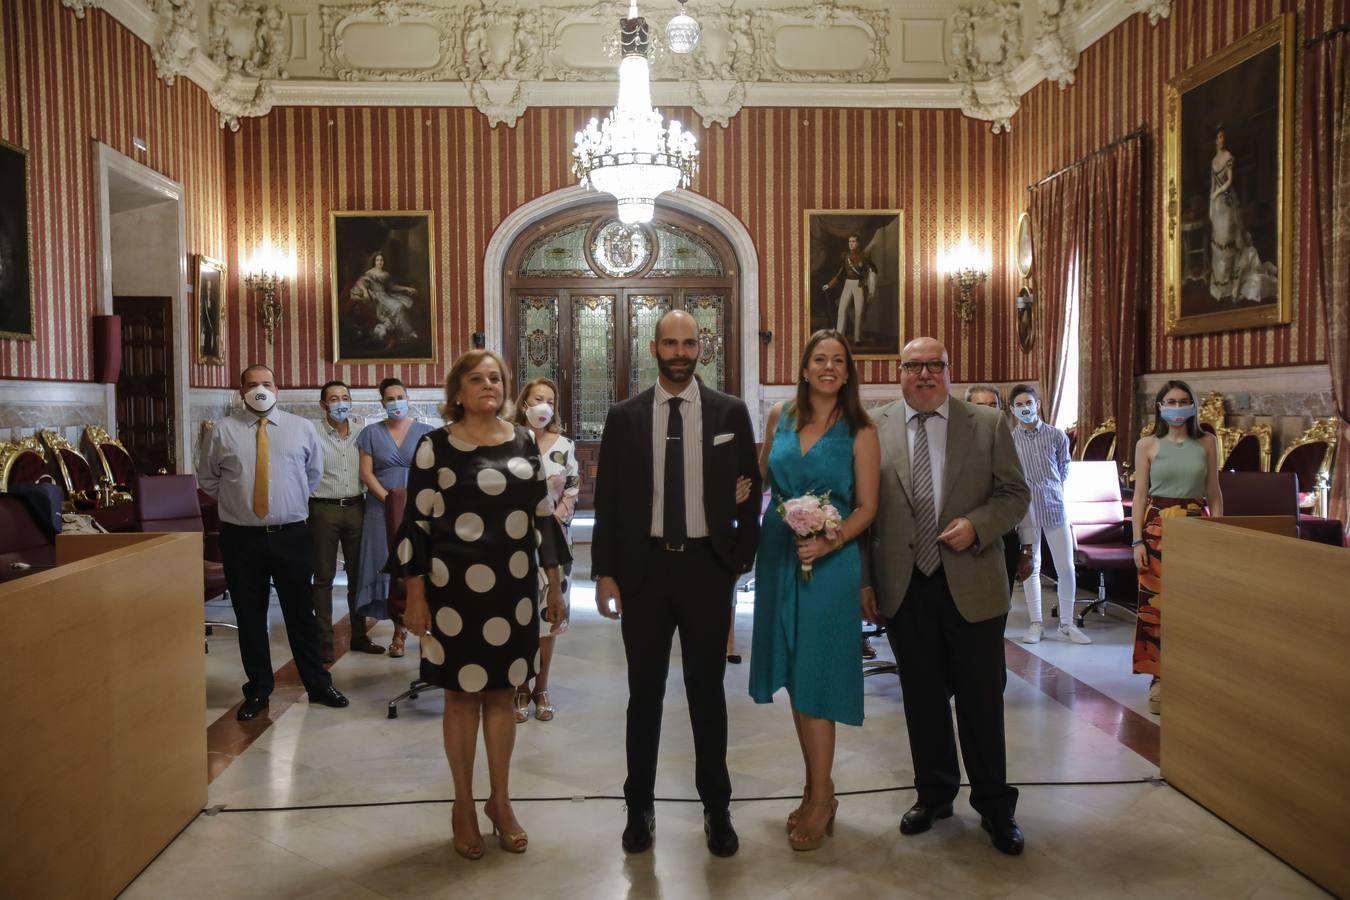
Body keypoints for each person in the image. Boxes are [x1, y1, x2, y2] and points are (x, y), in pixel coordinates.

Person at [592, 309, 762, 858]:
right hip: (643, 571)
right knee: (644, 695)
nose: (680, 352)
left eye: (689, 342)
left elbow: (751, 492)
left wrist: (738, 558)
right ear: (654, 348)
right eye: (670, 342)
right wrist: (605, 572)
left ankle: (717, 807)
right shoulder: (625, 416)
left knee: (707, 694)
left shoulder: (730, 413)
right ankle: (638, 806)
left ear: (701, 348)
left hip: (705, 570)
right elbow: (610, 500)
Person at [392, 350, 567, 860]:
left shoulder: (522, 442)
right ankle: (463, 805)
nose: (487, 385)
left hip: (512, 593)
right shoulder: (434, 447)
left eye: (495, 377)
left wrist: (553, 587)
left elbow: (541, 520)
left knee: (502, 696)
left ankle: (501, 802)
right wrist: (417, 598)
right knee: (461, 698)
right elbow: (417, 528)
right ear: (458, 391)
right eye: (476, 378)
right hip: (452, 593)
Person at [861, 337, 1030, 855]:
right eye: (914, 366)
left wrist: (978, 526)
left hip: (972, 582)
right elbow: (862, 511)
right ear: (899, 372)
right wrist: (866, 582)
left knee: (981, 699)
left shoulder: (986, 424)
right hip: (905, 586)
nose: (925, 374)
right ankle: (934, 793)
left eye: (935, 365)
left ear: (949, 371)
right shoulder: (874, 425)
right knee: (922, 699)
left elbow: (1015, 495)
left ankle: (995, 807)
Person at [749, 329, 880, 851]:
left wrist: (829, 543)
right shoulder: (780, 415)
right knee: (796, 673)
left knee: (817, 675)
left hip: (830, 561)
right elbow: (762, 476)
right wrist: (737, 485)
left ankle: (822, 798)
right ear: (804, 368)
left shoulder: (860, 429)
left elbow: (868, 507)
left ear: (848, 372)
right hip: (781, 553)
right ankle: (813, 787)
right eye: (818, 359)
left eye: (838, 361)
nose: (828, 367)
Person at [199, 365, 349, 722]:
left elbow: (312, 475)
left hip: (292, 535)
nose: (259, 390)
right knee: (250, 617)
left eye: (266, 383)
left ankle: (318, 684)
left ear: (277, 389)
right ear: (241, 391)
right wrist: (241, 504)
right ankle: (258, 690)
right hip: (241, 538)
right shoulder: (223, 431)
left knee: (301, 614)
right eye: (252, 385)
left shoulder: (301, 428)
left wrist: (285, 502)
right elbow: (208, 479)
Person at [1131, 379, 1222, 715]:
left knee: (1195, 602)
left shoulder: (1208, 442)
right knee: (1157, 604)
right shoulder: (1147, 444)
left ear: (1193, 405)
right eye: (1170, 401)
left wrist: (1219, 531)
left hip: (1197, 523)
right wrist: (1137, 539)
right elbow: (1140, 495)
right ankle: (1158, 677)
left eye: (1184, 400)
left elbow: (1215, 492)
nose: (1177, 406)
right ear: (1160, 406)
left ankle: (1193, 671)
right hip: (1157, 526)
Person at [510, 377, 580, 723]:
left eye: (549, 400)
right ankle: (520, 686)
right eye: (538, 398)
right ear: (525, 402)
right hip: (512, 545)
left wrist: (552, 523)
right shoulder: (506, 439)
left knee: (548, 621)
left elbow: (572, 490)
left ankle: (542, 687)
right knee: (517, 618)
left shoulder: (564, 445)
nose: (544, 405)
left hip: (554, 543)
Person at [354, 377, 434, 658]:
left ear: (408, 399)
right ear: (382, 403)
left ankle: (425, 632)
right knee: (388, 567)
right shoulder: (370, 433)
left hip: (420, 510)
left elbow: (433, 472)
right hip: (380, 509)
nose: (396, 402)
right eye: (390, 398)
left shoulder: (427, 433)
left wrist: (413, 503)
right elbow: (366, 474)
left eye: (400, 396)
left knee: (417, 567)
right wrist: (390, 501)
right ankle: (398, 632)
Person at [1008, 384, 1091, 645]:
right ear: (1012, 409)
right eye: (1019, 405)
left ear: (1038, 404)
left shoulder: (1057, 436)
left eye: (1028, 403)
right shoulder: (1010, 440)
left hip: (1054, 505)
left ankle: (1067, 624)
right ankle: (1036, 623)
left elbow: (1064, 468)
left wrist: (1049, 486)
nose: (1025, 408)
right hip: (1026, 509)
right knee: (1032, 567)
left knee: (1065, 566)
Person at [310, 380, 383, 662]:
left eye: (345, 397)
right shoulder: (312, 433)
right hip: (322, 509)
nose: (340, 402)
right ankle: (324, 642)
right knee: (324, 578)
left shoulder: (363, 435)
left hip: (356, 507)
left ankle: (359, 636)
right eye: (334, 398)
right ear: (323, 405)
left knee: (357, 576)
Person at [965, 384, 1028, 590]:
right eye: (981, 406)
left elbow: (1022, 497)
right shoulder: (954, 447)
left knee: (999, 614)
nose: (988, 412)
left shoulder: (1011, 444)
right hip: (966, 541)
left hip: (1004, 538)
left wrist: (1026, 548)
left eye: (994, 405)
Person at [822, 234, 877, 344]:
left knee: (859, 312)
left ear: (858, 243)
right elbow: (841, 273)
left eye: (853, 241)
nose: (851, 244)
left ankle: (858, 338)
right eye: (849, 241)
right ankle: (839, 335)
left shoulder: (865, 256)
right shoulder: (845, 256)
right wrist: (829, 284)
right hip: (848, 284)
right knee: (842, 310)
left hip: (859, 285)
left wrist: (871, 288)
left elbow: (873, 271)